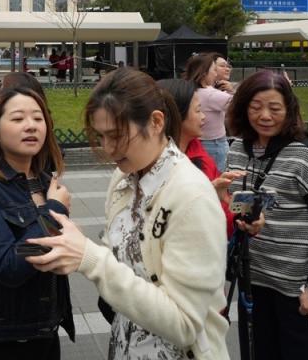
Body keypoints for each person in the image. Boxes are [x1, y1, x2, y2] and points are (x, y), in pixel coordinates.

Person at [27, 69, 229, 360]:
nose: (109, 149)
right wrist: (74, 249)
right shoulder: (124, 179)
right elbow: (120, 260)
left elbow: (185, 324)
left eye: (117, 136)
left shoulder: (191, 196)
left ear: (157, 122)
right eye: (101, 136)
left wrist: (89, 258)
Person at [224, 70, 308, 360]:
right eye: (255, 107)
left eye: (275, 108)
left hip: (299, 290)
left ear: (289, 111)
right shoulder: (238, 150)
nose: (264, 116)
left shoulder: (307, 156)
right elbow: (240, 211)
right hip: (255, 283)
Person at [0, 87, 75, 359]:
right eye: (18, 119)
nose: (31, 126)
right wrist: (54, 211)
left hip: (44, 329)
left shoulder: (46, 180)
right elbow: (7, 264)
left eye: (38, 118)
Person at [158, 78, 238, 239]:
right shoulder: (154, 165)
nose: (204, 117)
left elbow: (222, 218)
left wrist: (242, 218)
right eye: (198, 110)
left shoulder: (201, 156)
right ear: (176, 115)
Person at [183, 53, 233, 172]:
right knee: (217, 175)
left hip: (197, 141)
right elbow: (240, 105)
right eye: (214, 70)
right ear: (205, 73)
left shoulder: (190, 89)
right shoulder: (211, 94)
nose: (216, 74)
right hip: (215, 144)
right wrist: (232, 90)